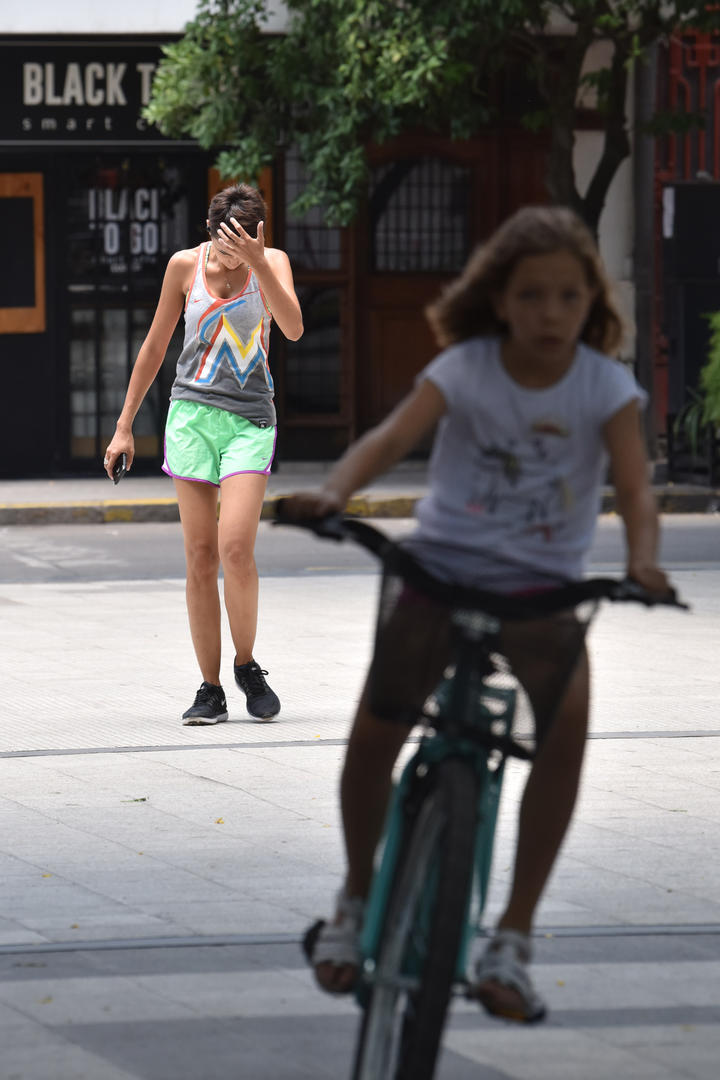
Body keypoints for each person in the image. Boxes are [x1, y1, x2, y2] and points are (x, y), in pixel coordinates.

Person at [282, 205, 672, 1022]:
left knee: (565, 733)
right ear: (500, 301)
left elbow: (635, 486)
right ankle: (355, 904)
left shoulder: (607, 386)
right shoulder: (464, 368)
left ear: (590, 303)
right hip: (441, 573)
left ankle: (512, 940)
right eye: (531, 296)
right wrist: (333, 493)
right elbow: (389, 440)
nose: (550, 314)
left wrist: (642, 562)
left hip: (542, 592)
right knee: (376, 730)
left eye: (568, 297)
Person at [104, 183, 303, 725]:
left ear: (259, 235)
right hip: (190, 418)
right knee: (200, 558)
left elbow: (292, 328)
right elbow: (154, 346)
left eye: (247, 240)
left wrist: (260, 265)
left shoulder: (272, 262)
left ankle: (247, 665)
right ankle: (210, 688)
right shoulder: (184, 267)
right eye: (228, 240)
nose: (234, 251)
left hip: (250, 421)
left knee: (235, 547)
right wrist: (124, 427)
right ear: (212, 231)